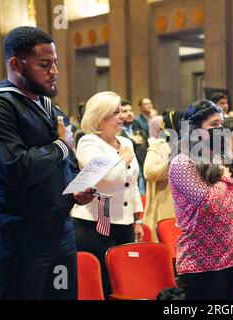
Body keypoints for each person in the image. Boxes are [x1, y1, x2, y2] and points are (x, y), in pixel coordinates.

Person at [0, 26, 95, 300]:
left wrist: (75, 190)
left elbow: (64, 164)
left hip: (60, 232)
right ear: (16, 64)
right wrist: (60, 145)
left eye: (55, 63)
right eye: (44, 65)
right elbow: (17, 168)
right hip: (20, 239)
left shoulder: (50, 106)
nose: (54, 72)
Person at [168, 99, 233, 300]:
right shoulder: (182, 162)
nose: (220, 130)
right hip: (202, 260)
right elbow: (209, 204)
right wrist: (224, 175)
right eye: (213, 125)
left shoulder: (220, 157)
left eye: (221, 125)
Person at [71, 91, 144, 299]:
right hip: (93, 225)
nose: (122, 116)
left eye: (121, 110)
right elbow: (106, 177)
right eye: (115, 112)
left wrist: (138, 219)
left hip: (124, 223)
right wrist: (122, 159)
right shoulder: (88, 142)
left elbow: (132, 183)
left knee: (123, 281)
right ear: (99, 116)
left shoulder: (126, 143)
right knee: (101, 283)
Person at [143, 109, 184, 241]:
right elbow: (149, 173)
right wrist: (172, 161)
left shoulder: (195, 147)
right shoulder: (159, 146)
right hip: (166, 209)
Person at [120, 99, 148, 195]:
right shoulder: (117, 135)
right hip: (126, 177)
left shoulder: (140, 132)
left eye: (130, 110)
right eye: (125, 111)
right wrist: (131, 141)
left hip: (142, 174)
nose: (129, 113)